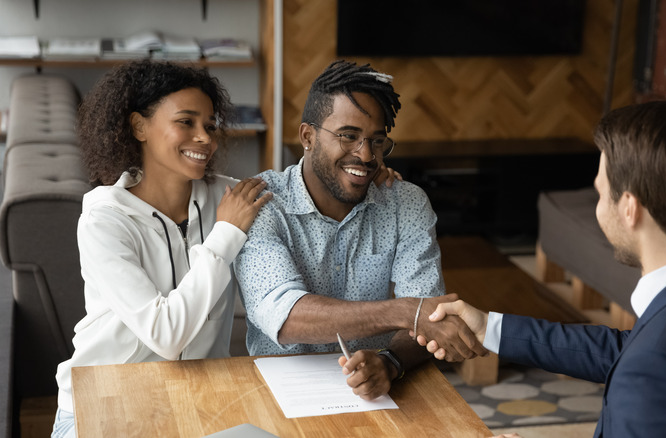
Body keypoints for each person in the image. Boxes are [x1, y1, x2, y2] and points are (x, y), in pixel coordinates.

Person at [418, 101, 666, 437]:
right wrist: (490, 329)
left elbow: (647, 360)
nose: (597, 206)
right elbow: (630, 350)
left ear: (629, 208)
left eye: (600, 193)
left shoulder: (654, 368)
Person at [234, 60, 487, 400]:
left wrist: (391, 363)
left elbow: (430, 320)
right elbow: (286, 316)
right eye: (349, 136)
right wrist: (406, 312)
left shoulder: (405, 203)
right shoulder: (261, 204)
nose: (367, 155)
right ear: (308, 136)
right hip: (282, 393)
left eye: (377, 141)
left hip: (381, 395)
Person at [51, 60, 274, 438]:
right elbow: (166, 335)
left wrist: (374, 181)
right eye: (186, 122)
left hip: (196, 403)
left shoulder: (227, 197)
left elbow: (299, 195)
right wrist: (224, 235)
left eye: (210, 125)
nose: (204, 137)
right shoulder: (104, 220)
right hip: (105, 407)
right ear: (139, 127)